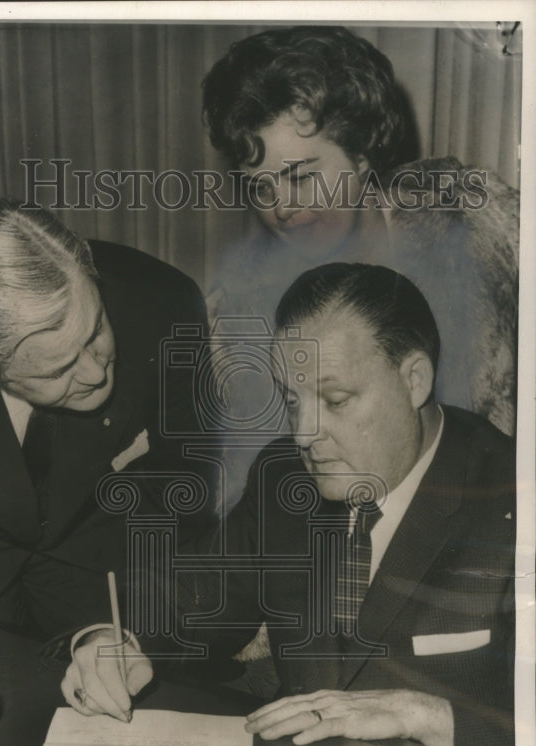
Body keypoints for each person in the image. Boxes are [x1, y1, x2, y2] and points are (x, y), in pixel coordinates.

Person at [63, 263, 515, 746]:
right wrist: (113, 641)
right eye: (291, 399)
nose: (303, 434)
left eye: (335, 399)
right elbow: (192, 595)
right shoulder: (285, 478)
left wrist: (426, 714)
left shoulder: (513, 497)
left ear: (415, 380)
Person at [0, 199, 213, 705]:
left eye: (95, 331)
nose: (97, 373)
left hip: (105, 573)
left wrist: (115, 631)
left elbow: (184, 492)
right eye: (57, 371)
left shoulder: (164, 302)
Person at [201, 26, 519, 508]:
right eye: (261, 187)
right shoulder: (239, 321)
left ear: (364, 155)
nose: (281, 208)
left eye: (301, 178)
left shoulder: (478, 228)